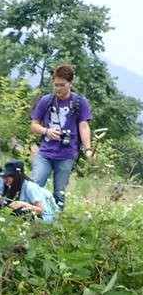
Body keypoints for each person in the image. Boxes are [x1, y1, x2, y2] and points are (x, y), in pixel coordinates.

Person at [31, 63, 93, 208]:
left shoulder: (79, 102)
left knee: (59, 192)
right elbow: (34, 125)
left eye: (62, 85)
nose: (58, 89)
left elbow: (84, 126)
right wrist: (46, 131)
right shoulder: (46, 100)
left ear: (70, 84)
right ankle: (30, 213)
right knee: (35, 183)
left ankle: (56, 221)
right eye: (56, 85)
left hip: (67, 153)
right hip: (46, 152)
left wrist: (88, 149)